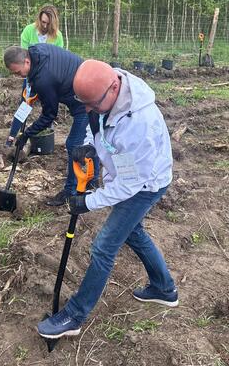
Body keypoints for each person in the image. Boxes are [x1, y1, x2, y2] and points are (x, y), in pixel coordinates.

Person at [37, 60, 178, 339]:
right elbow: (96, 124)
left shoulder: (139, 125)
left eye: (92, 103)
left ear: (114, 87)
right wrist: (89, 145)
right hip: (128, 179)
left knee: (103, 248)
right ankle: (164, 288)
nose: (88, 109)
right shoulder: (103, 96)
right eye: (84, 103)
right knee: (133, 232)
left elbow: (129, 185)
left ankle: (75, 315)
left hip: (144, 186)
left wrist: (87, 202)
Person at [3, 44, 99, 206]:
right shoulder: (36, 53)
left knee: (73, 145)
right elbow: (24, 104)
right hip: (83, 87)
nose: (18, 76)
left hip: (87, 99)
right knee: (89, 139)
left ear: (26, 62)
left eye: (18, 72)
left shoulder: (43, 79)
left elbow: (49, 116)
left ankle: (70, 191)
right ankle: (93, 180)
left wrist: (27, 134)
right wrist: (13, 134)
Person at [6, 5, 65, 152]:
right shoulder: (28, 31)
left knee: (48, 107)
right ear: (39, 18)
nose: (45, 26)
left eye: (48, 23)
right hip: (31, 76)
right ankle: (12, 137)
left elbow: (59, 58)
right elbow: (23, 57)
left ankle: (45, 136)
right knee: (24, 105)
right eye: (43, 22)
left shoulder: (57, 36)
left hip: (49, 79)